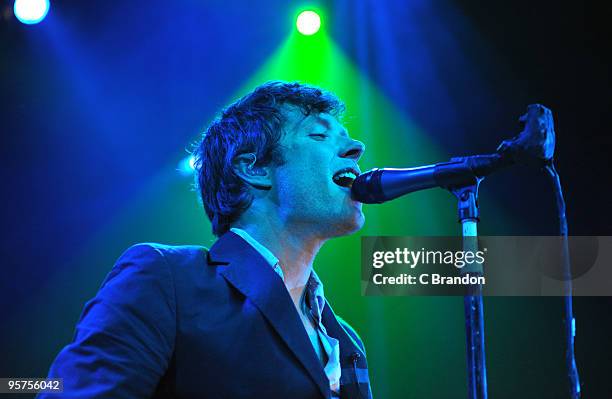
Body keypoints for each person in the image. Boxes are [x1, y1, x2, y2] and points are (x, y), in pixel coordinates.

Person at [40, 81, 373, 399]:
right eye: (318, 135)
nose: (356, 148)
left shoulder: (345, 339)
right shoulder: (166, 279)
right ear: (254, 168)